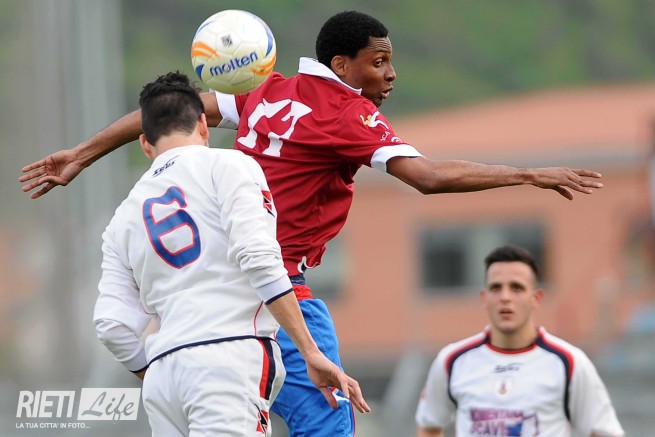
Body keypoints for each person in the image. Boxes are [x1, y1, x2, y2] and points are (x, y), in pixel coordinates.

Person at [20, 11, 604, 437]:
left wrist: (82, 154)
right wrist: (529, 174)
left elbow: (169, 112)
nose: (390, 75)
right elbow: (427, 177)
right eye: (379, 62)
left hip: (188, 319)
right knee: (328, 423)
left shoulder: (267, 91)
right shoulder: (348, 115)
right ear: (342, 66)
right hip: (274, 293)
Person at [93, 71, 369, 436]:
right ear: (203, 125)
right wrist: (310, 351)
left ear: (145, 143)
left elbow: (112, 325)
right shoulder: (231, 166)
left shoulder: (122, 217)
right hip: (228, 358)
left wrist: (159, 365)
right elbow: (259, 258)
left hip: (163, 377)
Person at [415, 245, 624, 437]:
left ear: (536, 298)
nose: (505, 297)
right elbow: (429, 427)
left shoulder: (569, 362)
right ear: (484, 298)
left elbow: (604, 432)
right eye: (496, 288)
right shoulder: (452, 361)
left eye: (516, 288)